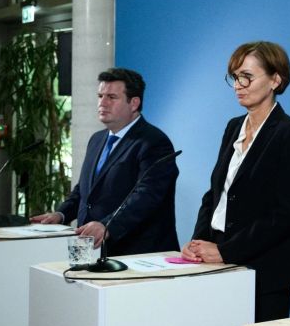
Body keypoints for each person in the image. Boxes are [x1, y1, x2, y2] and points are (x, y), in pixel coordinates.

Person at [182, 41, 290, 323]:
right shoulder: (233, 126)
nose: (238, 85)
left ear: (275, 80)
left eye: (247, 77)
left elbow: (287, 212)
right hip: (217, 257)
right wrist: (199, 241)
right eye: (234, 77)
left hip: (266, 268)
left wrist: (226, 251)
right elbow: (215, 193)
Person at [32, 68, 180, 256]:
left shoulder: (154, 142)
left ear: (134, 103)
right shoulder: (97, 139)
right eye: (100, 95)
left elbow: (147, 196)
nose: (102, 103)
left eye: (111, 97)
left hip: (137, 253)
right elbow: (85, 190)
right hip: (91, 249)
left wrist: (107, 225)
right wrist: (61, 215)